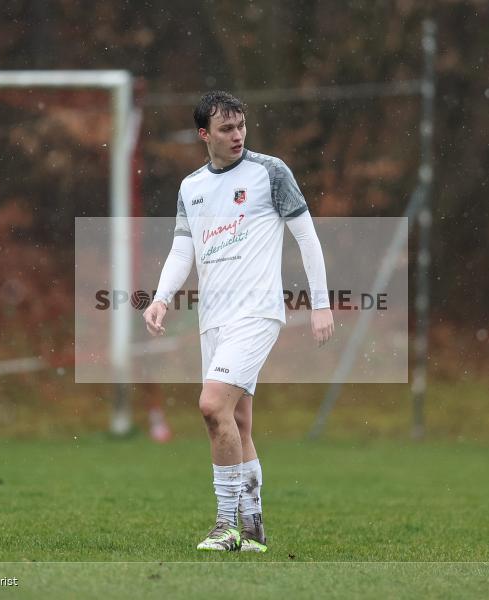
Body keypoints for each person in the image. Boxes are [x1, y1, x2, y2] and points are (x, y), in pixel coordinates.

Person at [142, 90, 334, 552]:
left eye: (241, 126)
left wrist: (321, 302)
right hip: (214, 320)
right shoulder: (192, 187)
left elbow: (306, 236)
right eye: (226, 128)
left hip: (257, 313)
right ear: (204, 134)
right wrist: (162, 297)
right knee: (238, 423)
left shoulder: (270, 172)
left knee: (211, 406)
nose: (237, 135)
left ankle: (225, 525)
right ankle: (253, 530)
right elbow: (182, 248)